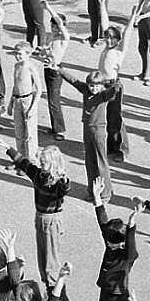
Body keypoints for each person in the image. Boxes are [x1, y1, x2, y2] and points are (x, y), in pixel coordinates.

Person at [0, 142, 70, 295]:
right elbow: (24, 163)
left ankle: (57, 297)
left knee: (51, 262)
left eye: (45, 163)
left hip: (52, 221)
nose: (42, 164)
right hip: (40, 218)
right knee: (43, 260)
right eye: (41, 162)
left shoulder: (57, 182)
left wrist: (63, 179)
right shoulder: (38, 174)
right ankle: (50, 290)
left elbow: (63, 190)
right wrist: (8, 148)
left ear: (53, 164)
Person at [55, 67, 119, 201]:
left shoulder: (103, 95)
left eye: (97, 86)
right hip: (87, 128)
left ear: (102, 86)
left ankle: (106, 193)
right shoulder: (85, 90)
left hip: (98, 131)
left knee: (101, 162)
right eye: (91, 86)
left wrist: (116, 83)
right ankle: (92, 190)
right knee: (90, 161)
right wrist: (59, 69)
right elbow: (74, 81)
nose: (93, 89)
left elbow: (113, 91)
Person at [94, 0, 138, 162]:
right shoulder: (106, 47)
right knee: (103, 117)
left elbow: (128, 32)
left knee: (114, 118)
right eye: (107, 37)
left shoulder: (119, 51)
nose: (109, 39)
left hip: (113, 86)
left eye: (112, 37)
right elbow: (105, 24)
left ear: (118, 40)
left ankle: (119, 149)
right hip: (101, 85)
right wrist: (102, 5)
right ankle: (108, 145)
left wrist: (133, 16)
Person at [39, 2, 73, 141]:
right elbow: (47, 53)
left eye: (56, 26)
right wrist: (43, 51)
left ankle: (60, 130)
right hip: (48, 68)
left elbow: (59, 22)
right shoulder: (50, 37)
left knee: (54, 100)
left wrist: (48, 8)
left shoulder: (64, 38)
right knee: (51, 99)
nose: (54, 28)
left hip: (56, 70)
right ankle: (55, 127)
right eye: (52, 26)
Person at [7, 41, 43, 164]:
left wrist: (33, 107)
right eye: (16, 54)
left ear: (28, 54)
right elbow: (15, 85)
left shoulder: (31, 68)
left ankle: (31, 161)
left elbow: (39, 90)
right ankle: (20, 160)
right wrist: (10, 103)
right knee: (19, 131)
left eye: (20, 54)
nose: (18, 56)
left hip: (28, 100)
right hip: (17, 99)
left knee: (30, 133)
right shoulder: (17, 66)